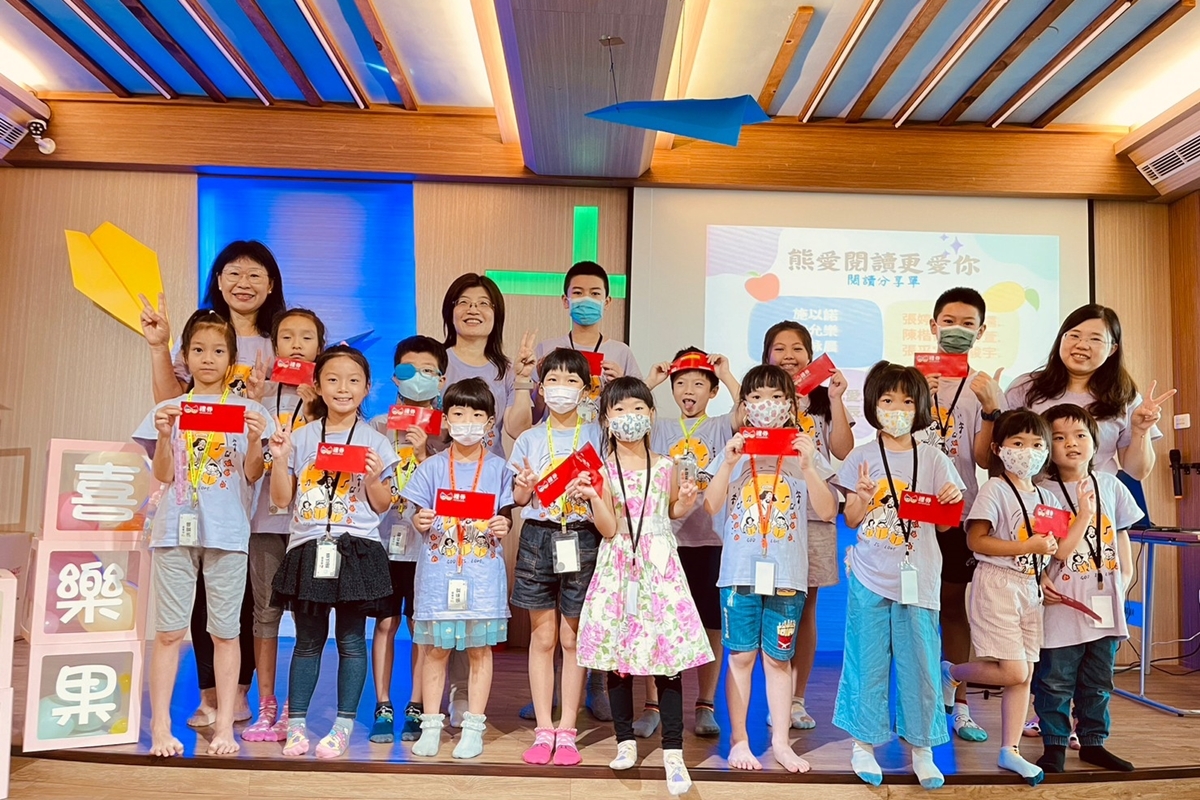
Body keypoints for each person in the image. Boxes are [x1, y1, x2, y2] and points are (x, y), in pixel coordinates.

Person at [139, 240, 286, 727]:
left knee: (241, 607)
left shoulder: (280, 340)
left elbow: (266, 449)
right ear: (218, 280)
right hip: (190, 504)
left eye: (255, 274)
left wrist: (263, 427)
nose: (244, 283)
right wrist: (158, 347)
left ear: (271, 284)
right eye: (233, 273)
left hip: (247, 499)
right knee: (196, 607)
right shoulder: (196, 339)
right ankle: (207, 697)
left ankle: (237, 697)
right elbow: (169, 405)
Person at [575, 376, 713, 795]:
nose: (629, 416)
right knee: (618, 658)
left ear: (652, 415)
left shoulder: (666, 465)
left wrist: (685, 501)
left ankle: (673, 752)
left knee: (666, 659)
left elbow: (672, 511)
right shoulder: (600, 469)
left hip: (659, 566)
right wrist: (593, 497)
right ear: (606, 418)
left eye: (638, 408)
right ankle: (625, 741)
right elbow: (608, 528)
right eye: (619, 409)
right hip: (618, 566)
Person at [942, 410, 1093, 786]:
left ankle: (1009, 749)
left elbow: (1058, 551)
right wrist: (1026, 546)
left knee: (1024, 673)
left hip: (1030, 589)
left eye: (1038, 444)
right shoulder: (994, 489)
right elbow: (976, 541)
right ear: (999, 449)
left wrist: (1084, 516)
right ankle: (952, 672)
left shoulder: (1045, 495)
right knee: (1015, 671)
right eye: (1018, 443)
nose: (1029, 452)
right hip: (997, 585)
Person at [833, 361, 964, 790]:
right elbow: (852, 519)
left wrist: (949, 501)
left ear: (920, 407)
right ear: (873, 404)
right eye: (887, 400)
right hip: (870, 576)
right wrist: (862, 497)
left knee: (921, 666)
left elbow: (945, 526)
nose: (897, 409)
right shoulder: (861, 456)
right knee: (866, 662)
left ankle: (923, 750)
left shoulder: (934, 458)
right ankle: (863, 744)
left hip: (919, 578)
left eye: (907, 401)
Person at [704, 365, 837, 774]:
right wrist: (728, 464)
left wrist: (809, 466)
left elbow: (828, 510)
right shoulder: (735, 450)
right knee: (741, 656)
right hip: (739, 574)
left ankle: (781, 742)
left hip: (788, 576)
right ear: (744, 406)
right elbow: (710, 505)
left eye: (777, 397)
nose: (767, 405)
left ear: (791, 406)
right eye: (757, 397)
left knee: (779, 660)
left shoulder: (803, 451)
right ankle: (739, 740)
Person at [268, 345, 399, 759]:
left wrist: (374, 478)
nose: (343, 388)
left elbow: (383, 504)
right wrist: (280, 459)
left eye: (353, 380)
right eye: (333, 379)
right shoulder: (302, 436)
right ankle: (296, 726)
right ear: (318, 386)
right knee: (307, 641)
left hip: (358, 548)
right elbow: (281, 499)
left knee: (351, 640)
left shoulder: (377, 440)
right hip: (309, 545)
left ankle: (342, 727)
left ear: (367, 388)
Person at [439, 273, 535, 725]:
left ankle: (465, 693)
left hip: (486, 492)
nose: (472, 309)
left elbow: (516, 428)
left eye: (483, 303)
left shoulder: (506, 370)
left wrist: (523, 380)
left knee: (474, 589)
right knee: (440, 591)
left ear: (496, 314)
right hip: (439, 488)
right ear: (450, 311)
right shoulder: (437, 360)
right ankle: (434, 695)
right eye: (463, 301)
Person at [402, 378, 515, 759]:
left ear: (490, 423)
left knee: (480, 650)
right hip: (439, 576)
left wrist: (504, 524)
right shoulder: (431, 467)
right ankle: (431, 725)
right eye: (459, 414)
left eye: (477, 415)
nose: (468, 422)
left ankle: (473, 728)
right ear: (446, 420)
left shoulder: (500, 469)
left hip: (481, 575)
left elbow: (505, 515)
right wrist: (419, 520)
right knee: (435, 650)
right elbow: (416, 514)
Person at [917, 287, 1005, 742]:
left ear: (981, 331)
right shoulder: (909, 379)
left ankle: (961, 705)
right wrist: (918, 401)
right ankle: (918, 704)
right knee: (911, 612)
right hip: (911, 514)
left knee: (954, 608)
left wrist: (991, 409)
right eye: (949, 321)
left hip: (959, 513)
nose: (957, 330)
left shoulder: (983, 387)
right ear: (933, 325)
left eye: (968, 324)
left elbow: (985, 460)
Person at [509, 349, 605, 764]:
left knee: (572, 637)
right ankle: (543, 728)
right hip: (538, 537)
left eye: (570, 381)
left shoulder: (598, 434)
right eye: (552, 380)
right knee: (543, 637)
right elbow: (517, 499)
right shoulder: (529, 438)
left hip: (582, 536)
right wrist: (525, 485)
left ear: (586, 390)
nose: (560, 388)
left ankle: (568, 728)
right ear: (541, 387)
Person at [1035, 404, 1139, 774]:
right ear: (1047, 446)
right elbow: (1040, 548)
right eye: (1059, 437)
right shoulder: (1042, 492)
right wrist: (1040, 577)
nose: (1071, 444)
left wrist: (1124, 577)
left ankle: (1093, 742)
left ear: (1095, 442)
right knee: (1055, 678)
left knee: (1098, 678)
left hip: (1104, 598)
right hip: (1062, 602)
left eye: (1080, 435)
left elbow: (1122, 535)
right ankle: (1054, 744)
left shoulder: (1110, 484)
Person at [641, 348, 738, 738]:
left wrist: (726, 374)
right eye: (681, 383)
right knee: (657, 621)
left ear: (712, 392)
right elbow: (622, 414)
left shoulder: (721, 426)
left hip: (711, 540)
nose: (688, 390)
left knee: (711, 623)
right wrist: (651, 382)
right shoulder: (660, 426)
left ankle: (705, 704)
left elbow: (748, 412)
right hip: (664, 538)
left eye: (699, 383)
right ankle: (652, 704)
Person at [760, 321, 851, 729]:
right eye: (779, 348)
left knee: (805, 608)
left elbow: (842, 449)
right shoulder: (761, 399)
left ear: (810, 356)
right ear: (767, 356)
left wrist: (836, 399)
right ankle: (771, 696)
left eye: (797, 348)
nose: (789, 355)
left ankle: (796, 698)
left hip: (814, 513)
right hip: (769, 514)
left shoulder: (821, 402)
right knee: (768, 605)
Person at [241, 308, 326, 742]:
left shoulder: (331, 397)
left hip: (309, 527)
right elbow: (251, 468)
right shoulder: (260, 393)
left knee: (307, 616)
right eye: (287, 337)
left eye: (306, 337)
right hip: (264, 520)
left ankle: (296, 705)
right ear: (274, 345)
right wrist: (253, 405)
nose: (296, 344)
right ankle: (266, 705)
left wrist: (313, 409)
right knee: (266, 613)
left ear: (319, 347)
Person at [368, 336, 448, 744]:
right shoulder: (377, 426)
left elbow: (452, 489)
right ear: (395, 376)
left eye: (427, 371)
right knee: (385, 622)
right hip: (384, 541)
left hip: (429, 546)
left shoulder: (449, 430)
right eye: (408, 370)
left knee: (421, 627)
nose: (417, 378)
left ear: (441, 379)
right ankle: (382, 704)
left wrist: (424, 454)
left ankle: (417, 704)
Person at [1005, 304, 1173, 480]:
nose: (1082, 345)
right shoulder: (1026, 388)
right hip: (1037, 494)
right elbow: (999, 453)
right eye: (1074, 335)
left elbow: (1138, 472)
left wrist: (1140, 431)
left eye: (1095, 339)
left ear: (1112, 349)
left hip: (1098, 493)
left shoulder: (1124, 397)